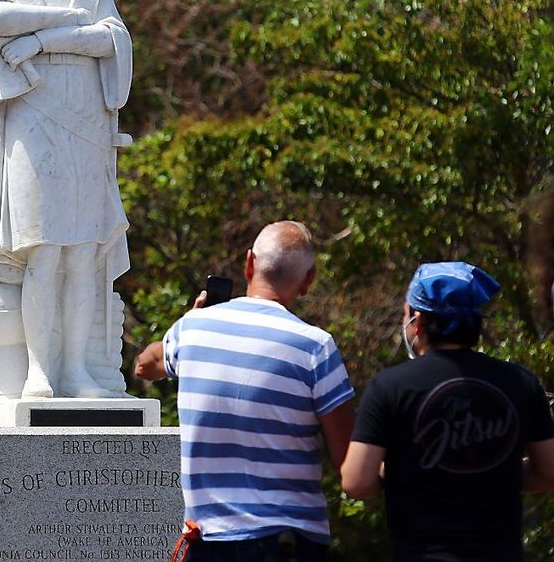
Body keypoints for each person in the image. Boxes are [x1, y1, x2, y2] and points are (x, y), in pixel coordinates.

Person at [0, 0, 133, 398]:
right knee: (42, 248)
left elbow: (111, 38)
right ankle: (39, 372)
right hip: (31, 110)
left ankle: (76, 371)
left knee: (82, 252)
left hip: (85, 113)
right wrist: (67, 20)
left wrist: (41, 39)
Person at [136, 221, 355, 561]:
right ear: (308, 281)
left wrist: (187, 323)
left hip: (208, 540)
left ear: (249, 262)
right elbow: (348, 463)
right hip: (289, 541)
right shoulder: (316, 347)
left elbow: (144, 366)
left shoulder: (191, 330)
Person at [341, 262, 554, 561]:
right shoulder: (521, 383)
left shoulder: (389, 386)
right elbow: (548, 472)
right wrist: (494, 472)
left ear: (417, 322)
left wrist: (407, 473)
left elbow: (356, 482)